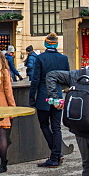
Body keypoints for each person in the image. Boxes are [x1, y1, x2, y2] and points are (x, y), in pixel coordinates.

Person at [29, 32, 70, 167]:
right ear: (57, 43)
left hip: (44, 96)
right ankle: (56, 154)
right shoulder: (63, 59)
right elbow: (67, 79)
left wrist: (32, 97)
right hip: (57, 96)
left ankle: (55, 155)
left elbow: (35, 79)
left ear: (46, 43)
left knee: (44, 124)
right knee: (57, 126)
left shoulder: (40, 58)